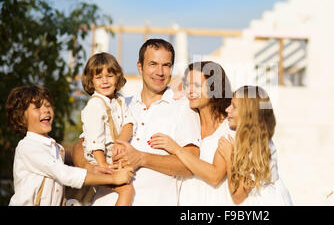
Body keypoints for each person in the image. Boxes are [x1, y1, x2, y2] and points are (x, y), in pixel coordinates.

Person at [72, 39, 201, 206]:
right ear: (140, 67)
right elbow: (80, 145)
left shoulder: (183, 108)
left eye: (166, 65)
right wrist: (88, 167)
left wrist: (142, 158)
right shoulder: (119, 104)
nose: (159, 72)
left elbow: (192, 165)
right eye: (153, 64)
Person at [6, 85, 134, 206]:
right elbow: (65, 174)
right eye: (38, 107)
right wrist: (114, 178)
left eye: (48, 105)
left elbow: (54, 188)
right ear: (21, 117)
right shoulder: (28, 147)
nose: (46, 110)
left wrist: (91, 171)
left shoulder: (56, 148)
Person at [150, 61, 235, 205]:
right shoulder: (187, 118)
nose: (190, 91)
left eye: (196, 85)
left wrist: (177, 149)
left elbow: (215, 177)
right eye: (188, 85)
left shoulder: (229, 128)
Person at [217, 85, 293, 205]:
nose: (227, 109)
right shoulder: (251, 139)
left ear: (248, 114)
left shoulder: (257, 146)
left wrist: (229, 157)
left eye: (234, 107)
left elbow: (237, 196)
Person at [79, 52, 135, 206]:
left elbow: (129, 124)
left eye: (109, 76)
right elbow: (94, 139)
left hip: (113, 156)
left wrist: (120, 142)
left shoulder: (120, 101)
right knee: (127, 189)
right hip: (98, 158)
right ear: (91, 81)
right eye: (99, 77)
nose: (105, 81)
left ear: (117, 77)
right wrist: (102, 164)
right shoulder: (95, 105)